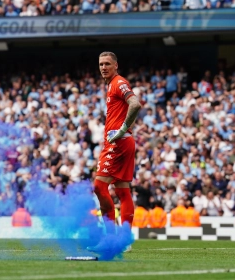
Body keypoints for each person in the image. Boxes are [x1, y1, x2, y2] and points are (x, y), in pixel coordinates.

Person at [88, 51, 142, 252]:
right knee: (122, 190)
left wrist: (121, 129)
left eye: (107, 64)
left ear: (116, 65)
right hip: (124, 141)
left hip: (118, 142)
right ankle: (124, 240)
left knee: (99, 187)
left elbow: (135, 104)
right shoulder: (112, 84)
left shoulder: (118, 83)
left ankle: (110, 237)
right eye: (101, 64)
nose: (103, 67)